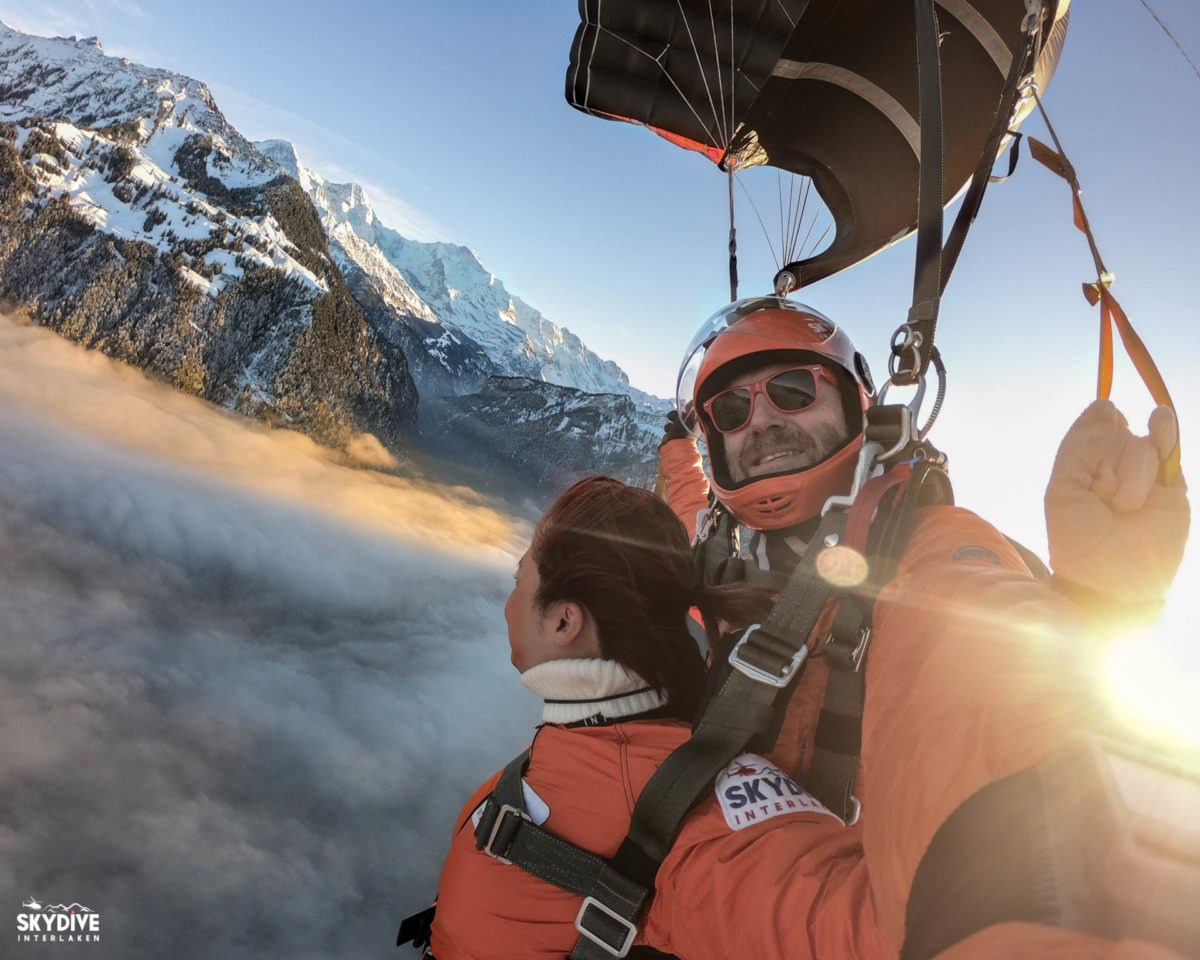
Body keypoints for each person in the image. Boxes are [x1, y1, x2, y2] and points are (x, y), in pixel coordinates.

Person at [658, 295, 1192, 960]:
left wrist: (1025, 902)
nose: (761, 420)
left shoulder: (922, 552)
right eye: (731, 412)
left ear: (856, 403)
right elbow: (691, 513)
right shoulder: (727, 550)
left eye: (792, 391)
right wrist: (675, 453)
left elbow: (976, 670)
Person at [418, 475, 897, 960]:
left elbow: (882, 933)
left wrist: (957, 553)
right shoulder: (609, 736)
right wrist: (682, 465)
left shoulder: (690, 809)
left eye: (518, 582)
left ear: (564, 621)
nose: (507, 604)